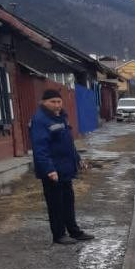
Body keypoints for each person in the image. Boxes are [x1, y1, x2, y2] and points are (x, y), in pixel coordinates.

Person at [30, 86, 94, 246]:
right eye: (53, 102)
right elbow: (40, 148)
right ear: (43, 102)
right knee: (56, 204)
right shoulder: (40, 120)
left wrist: (78, 159)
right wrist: (49, 169)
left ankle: (74, 231)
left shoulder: (61, 117)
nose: (57, 105)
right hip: (53, 170)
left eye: (59, 101)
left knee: (68, 202)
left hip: (65, 168)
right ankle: (59, 234)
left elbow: (68, 143)